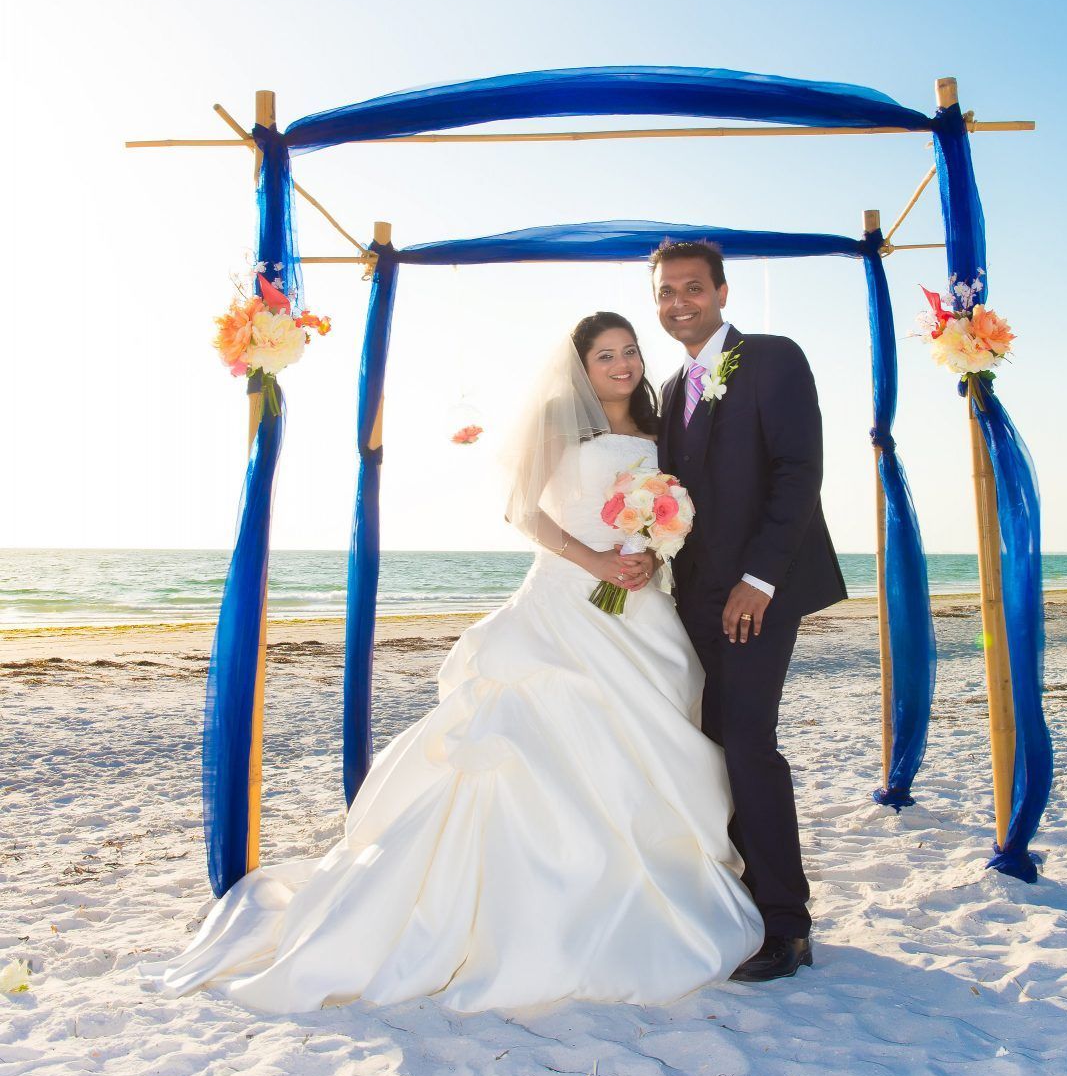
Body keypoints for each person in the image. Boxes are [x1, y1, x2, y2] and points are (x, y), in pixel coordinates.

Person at [144, 312, 762, 1015]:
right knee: (532, 736)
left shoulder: (662, 429)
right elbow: (520, 510)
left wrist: (651, 548)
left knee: (647, 739)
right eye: (605, 356)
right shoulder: (563, 425)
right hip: (568, 599)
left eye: (628, 353)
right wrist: (594, 560)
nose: (622, 366)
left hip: (639, 606)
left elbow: (667, 512)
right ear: (581, 367)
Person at [653, 239, 846, 982]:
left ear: (723, 293)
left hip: (762, 594)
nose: (679, 304)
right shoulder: (672, 390)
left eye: (693, 289)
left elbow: (801, 471)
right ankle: (737, 896)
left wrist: (759, 581)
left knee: (749, 742)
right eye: (667, 293)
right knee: (709, 741)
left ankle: (787, 924)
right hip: (695, 596)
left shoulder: (773, 358)